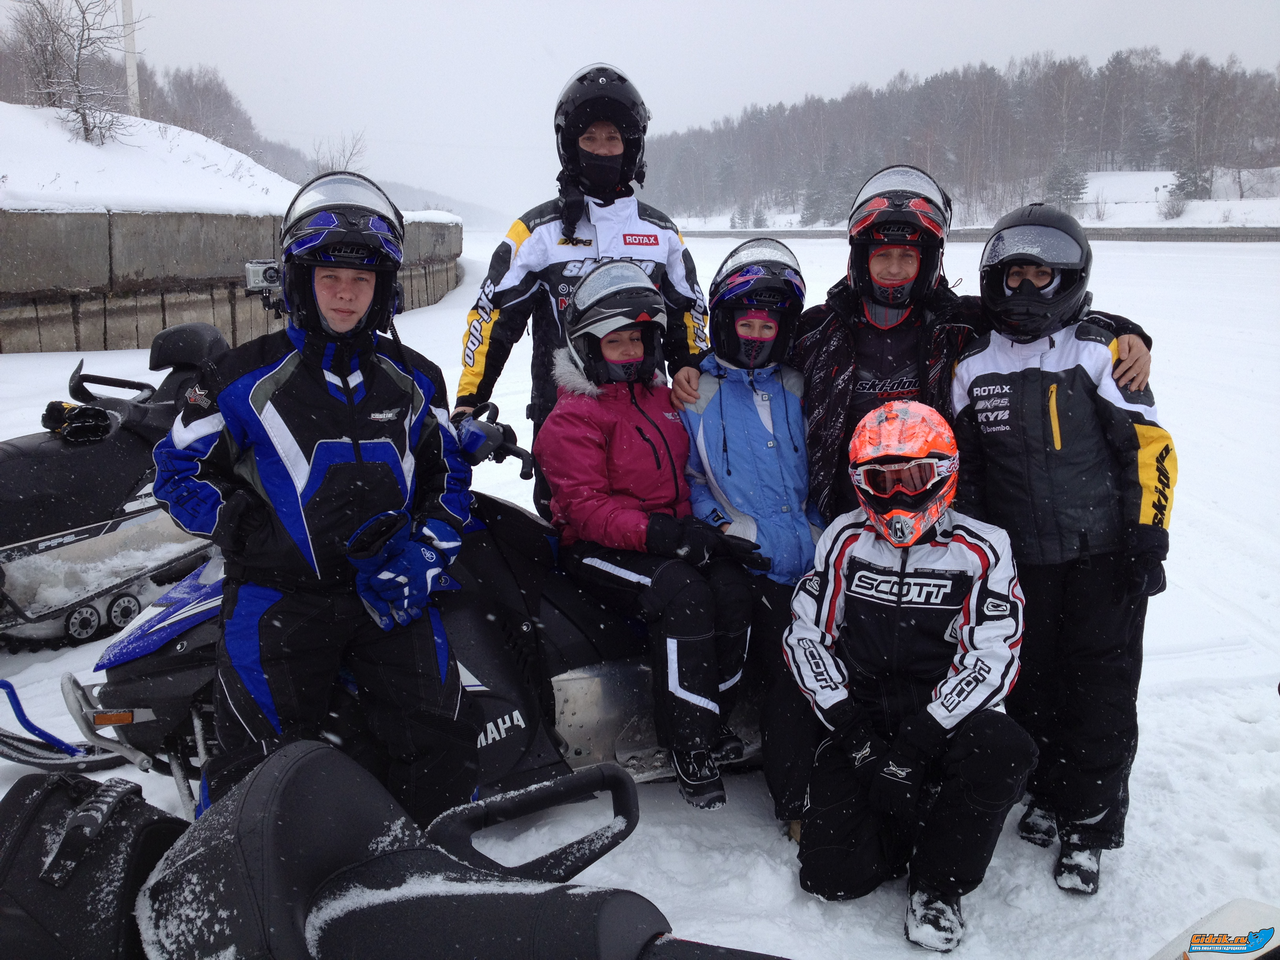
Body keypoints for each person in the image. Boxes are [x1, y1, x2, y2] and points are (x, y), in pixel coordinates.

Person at [153, 172, 478, 826]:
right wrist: (244, 528)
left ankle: (433, 866)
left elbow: (449, 483)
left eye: (361, 279)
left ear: (384, 288)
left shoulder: (418, 380)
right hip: (276, 599)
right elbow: (176, 469)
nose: (346, 293)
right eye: (330, 277)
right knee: (256, 770)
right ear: (299, 280)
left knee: (441, 742)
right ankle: (249, 875)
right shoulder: (238, 377)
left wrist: (421, 557)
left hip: (386, 593)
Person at [670, 165, 1154, 522]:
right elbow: (754, 352)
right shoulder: (819, 329)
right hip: (838, 513)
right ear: (862, 259)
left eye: (908, 257)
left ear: (928, 262)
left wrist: (1121, 329)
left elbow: (1037, 315)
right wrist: (699, 362)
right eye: (883, 256)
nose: (895, 269)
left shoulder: (960, 323)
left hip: (938, 516)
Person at [951, 202, 1178, 895]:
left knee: (1101, 692)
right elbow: (970, 472)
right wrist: (977, 551)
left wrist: (1147, 535)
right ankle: (1048, 792)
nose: (1025, 288)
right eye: (1014, 275)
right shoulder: (973, 365)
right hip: (1022, 563)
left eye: (1041, 276)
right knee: (1033, 686)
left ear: (1069, 279)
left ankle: (1092, 820)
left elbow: (1148, 447)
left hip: (1103, 557)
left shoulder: (1098, 351)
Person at [783, 400, 1035, 952]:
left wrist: (920, 741)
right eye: (883, 481)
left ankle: (939, 885)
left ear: (943, 475)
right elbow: (805, 636)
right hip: (866, 713)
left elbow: (993, 656)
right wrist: (854, 734)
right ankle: (915, 815)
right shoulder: (845, 538)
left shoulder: (983, 547)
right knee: (830, 877)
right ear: (861, 484)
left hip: (944, 716)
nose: (898, 495)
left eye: (914, 478)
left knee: (1004, 747)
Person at [532, 259, 763, 810]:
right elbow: (585, 509)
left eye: (638, 339)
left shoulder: (663, 399)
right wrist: (664, 535)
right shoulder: (573, 418)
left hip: (668, 534)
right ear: (588, 348)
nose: (630, 352)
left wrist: (701, 531)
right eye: (616, 342)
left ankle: (717, 717)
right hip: (596, 549)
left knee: (734, 589)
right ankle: (689, 743)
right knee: (683, 594)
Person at [455, 62, 708, 517]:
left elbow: (688, 310)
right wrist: (469, 401)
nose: (602, 149)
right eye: (589, 138)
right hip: (564, 419)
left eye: (612, 138)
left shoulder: (661, 232)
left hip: (650, 412)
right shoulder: (538, 231)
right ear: (570, 146)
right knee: (572, 527)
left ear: (631, 146)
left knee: (661, 519)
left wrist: (690, 363)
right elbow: (493, 317)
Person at [676, 238, 824, 825]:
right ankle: (798, 801)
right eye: (746, 323)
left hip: (816, 554)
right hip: (752, 556)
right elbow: (689, 479)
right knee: (794, 671)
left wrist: (822, 528)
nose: (757, 335)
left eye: (769, 325)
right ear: (724, 321)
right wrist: (724, 528)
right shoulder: (694, 393)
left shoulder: (799, 384)